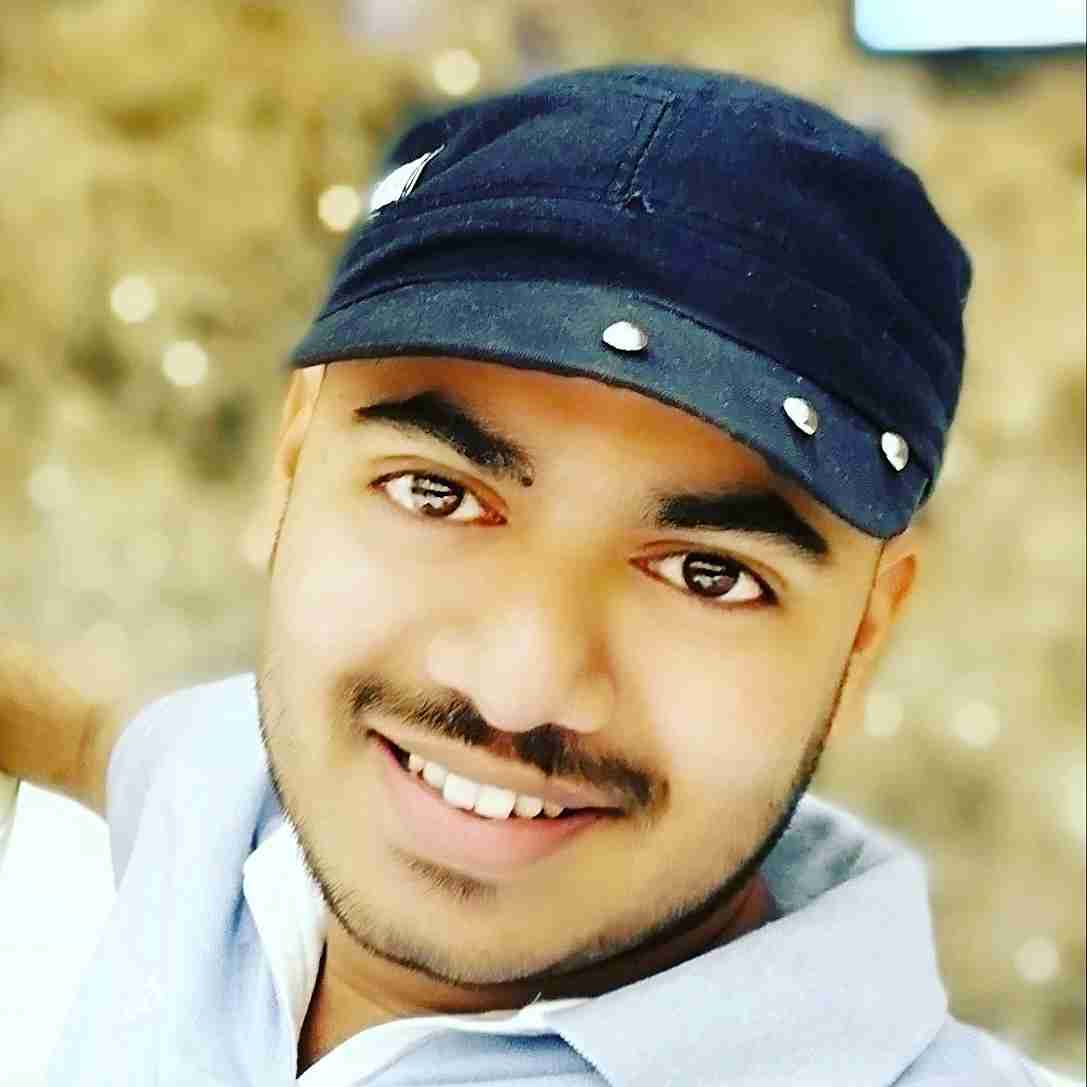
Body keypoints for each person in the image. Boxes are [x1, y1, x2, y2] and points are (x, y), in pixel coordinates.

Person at [0, 64, 1079, 1087]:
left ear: (863, 638)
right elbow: (97, 739)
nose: (515, 688)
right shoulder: (231, 790)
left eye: (707, 573)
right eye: (435, 493)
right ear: (290, 468)